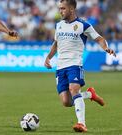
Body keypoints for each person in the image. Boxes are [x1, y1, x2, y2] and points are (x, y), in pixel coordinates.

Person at [44, 0, 116, 132]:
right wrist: (48, 57)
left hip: (74, 64)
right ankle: (89, 94)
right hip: (60, 67)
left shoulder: (83, 25)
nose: (60, 11)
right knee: (66, 102)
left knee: (74, 89)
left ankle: (81, 123)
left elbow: (99, 38)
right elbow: (56, 43)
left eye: (63, 8)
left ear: (72, 9)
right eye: (60, 8)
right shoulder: (59, 25)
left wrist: (106, 48)